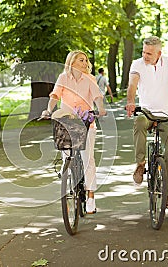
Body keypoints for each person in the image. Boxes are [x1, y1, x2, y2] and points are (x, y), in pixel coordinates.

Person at [125, 36, 168, 211]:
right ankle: (140, 165)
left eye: (149, 53)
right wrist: (131, 101)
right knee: (139, 121)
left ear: (159, 53)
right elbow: (132, 85)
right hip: (147, 112)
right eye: (143, 52)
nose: (145, 56)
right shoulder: (137, 64)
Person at [41, 50, 107, 214]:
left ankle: (91, 195)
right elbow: (55, 95)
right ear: (72, 62)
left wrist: (101, 109)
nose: (85, 63)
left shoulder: (90, 79)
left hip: (86, 123)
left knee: (88, 158)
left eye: (86, 60)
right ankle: (68, 181)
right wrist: (49, 110)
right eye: (81, 60)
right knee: (66, 158)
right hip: (67, 122)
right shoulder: (63, 78)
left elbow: (97, 96)